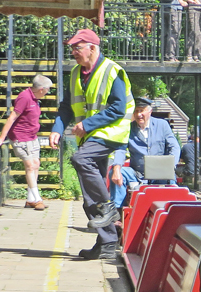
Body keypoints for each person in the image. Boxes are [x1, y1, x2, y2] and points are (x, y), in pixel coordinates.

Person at [50, 29, 134, 261]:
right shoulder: (76, 72)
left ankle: (108, 208)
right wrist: (57, 129)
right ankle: (107, 243)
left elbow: (118, 109)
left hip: (110, 133)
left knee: (80, 159)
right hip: (90, 136)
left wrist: (87, 124)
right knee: (89, 195)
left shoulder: (112, 71)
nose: (73, 52)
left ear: (93, 48)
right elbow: (67, 106)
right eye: (72, 48)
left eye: (77, 48)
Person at [109, 99, 181, 208]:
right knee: (117, 173)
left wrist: (171, 165)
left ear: (149, 111)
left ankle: (172, 210)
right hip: (137, 173)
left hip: (160, 172)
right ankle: (117, 211)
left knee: (171, 182)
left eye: (141, 111)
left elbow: (174, 146)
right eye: (136, 111)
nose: (139, 114)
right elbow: (121, 149)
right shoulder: (129, 129)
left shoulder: (162, 125)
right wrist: (116, 168)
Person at [0, 74, 52, 211]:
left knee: (36, 164)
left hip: (32, 137)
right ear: (42, 89)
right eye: (48, 89)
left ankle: (30, 199)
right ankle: (37, 199)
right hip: (21, 137)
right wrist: (2, 137)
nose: (48, 92)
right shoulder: (25, 97)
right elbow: (12, 118)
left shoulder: (35, 98)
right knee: (30, 166)